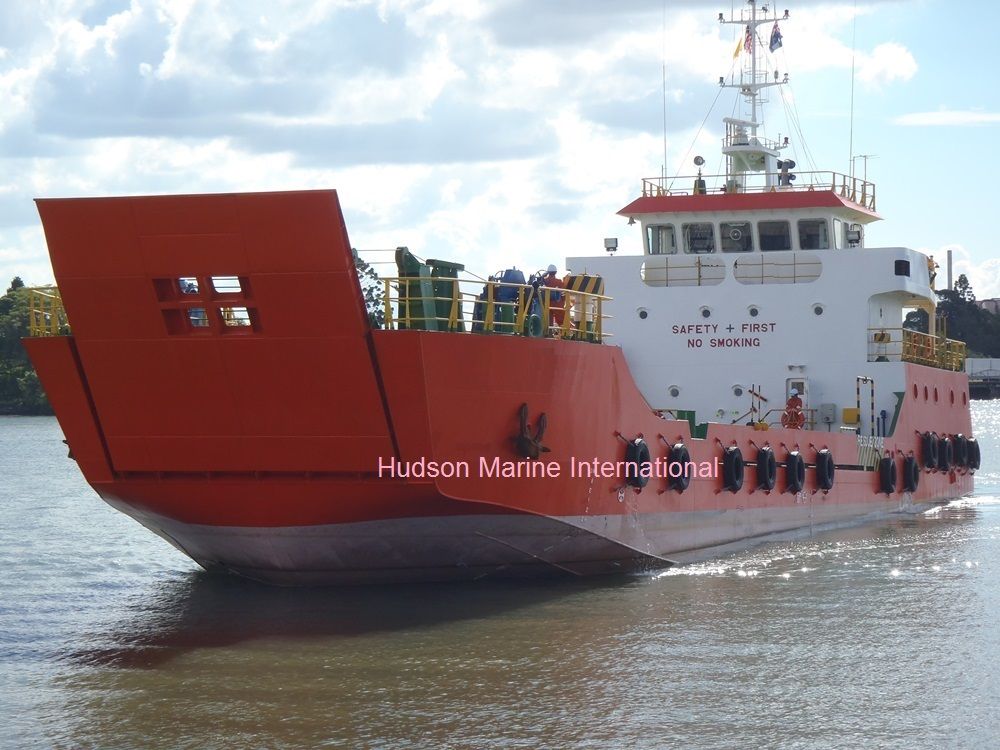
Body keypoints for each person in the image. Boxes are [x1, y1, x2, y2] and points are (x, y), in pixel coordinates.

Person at [542, 264, 565, 329]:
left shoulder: (544, 281)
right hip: (557, 305)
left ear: (548, 272)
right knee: (561, 320)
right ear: (556, 272)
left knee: (547, 318)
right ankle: (564, 332)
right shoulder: (559, 282)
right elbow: (563, 295)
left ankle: (548, 331)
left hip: (545, 304)